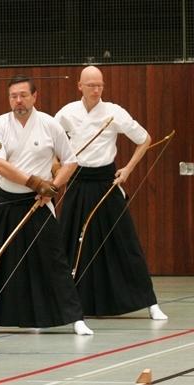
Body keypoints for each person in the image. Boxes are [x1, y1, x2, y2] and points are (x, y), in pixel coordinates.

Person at [0, 75, 94, 335]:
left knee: (54, 260)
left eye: (23, 95)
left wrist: (52, 188)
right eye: (13, 96)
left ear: (34, 96)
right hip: (7, 202)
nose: (18, 101)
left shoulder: (50, 124)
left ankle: (75, 318)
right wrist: (35, 182)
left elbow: (71, 161)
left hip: (39, 204)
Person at [55, 66, 167, 320]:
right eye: (91, 85)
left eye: (100, 85)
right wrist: (56, 167)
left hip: (107, 183)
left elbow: (145, 139)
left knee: (125, 241)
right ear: (79, 86)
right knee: (68, 242)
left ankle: (150, 302)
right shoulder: (67, 114)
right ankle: (62, 304)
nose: (96, 90)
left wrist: (127, 169)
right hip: (77, 182)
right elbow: (52, 140)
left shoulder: (114, 112)